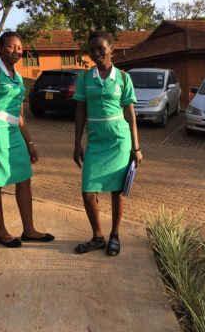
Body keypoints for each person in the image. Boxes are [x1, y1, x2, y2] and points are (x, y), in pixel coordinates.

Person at [0, 31, 54, 247]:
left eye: (19, 47)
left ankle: (29, 230)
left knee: (24, 180)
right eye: (11, 46)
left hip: (14, 134)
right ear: (0, 48)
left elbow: (20, 114)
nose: (17, 51)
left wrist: (30, 143)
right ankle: (1, 232)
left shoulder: (17, 77)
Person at [73, 30, 142, 256]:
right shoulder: (84, 78)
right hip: (95, 141)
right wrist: (77, 144)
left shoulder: (123, 78)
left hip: (119, 141)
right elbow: (80, 112)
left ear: (111, 48)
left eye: (101, 48)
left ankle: (114, 235)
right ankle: (97, 237)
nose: (96, 53)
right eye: (92, 50)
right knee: (88, 191)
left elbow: (131, 115)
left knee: (117, 191)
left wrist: (136, 148)